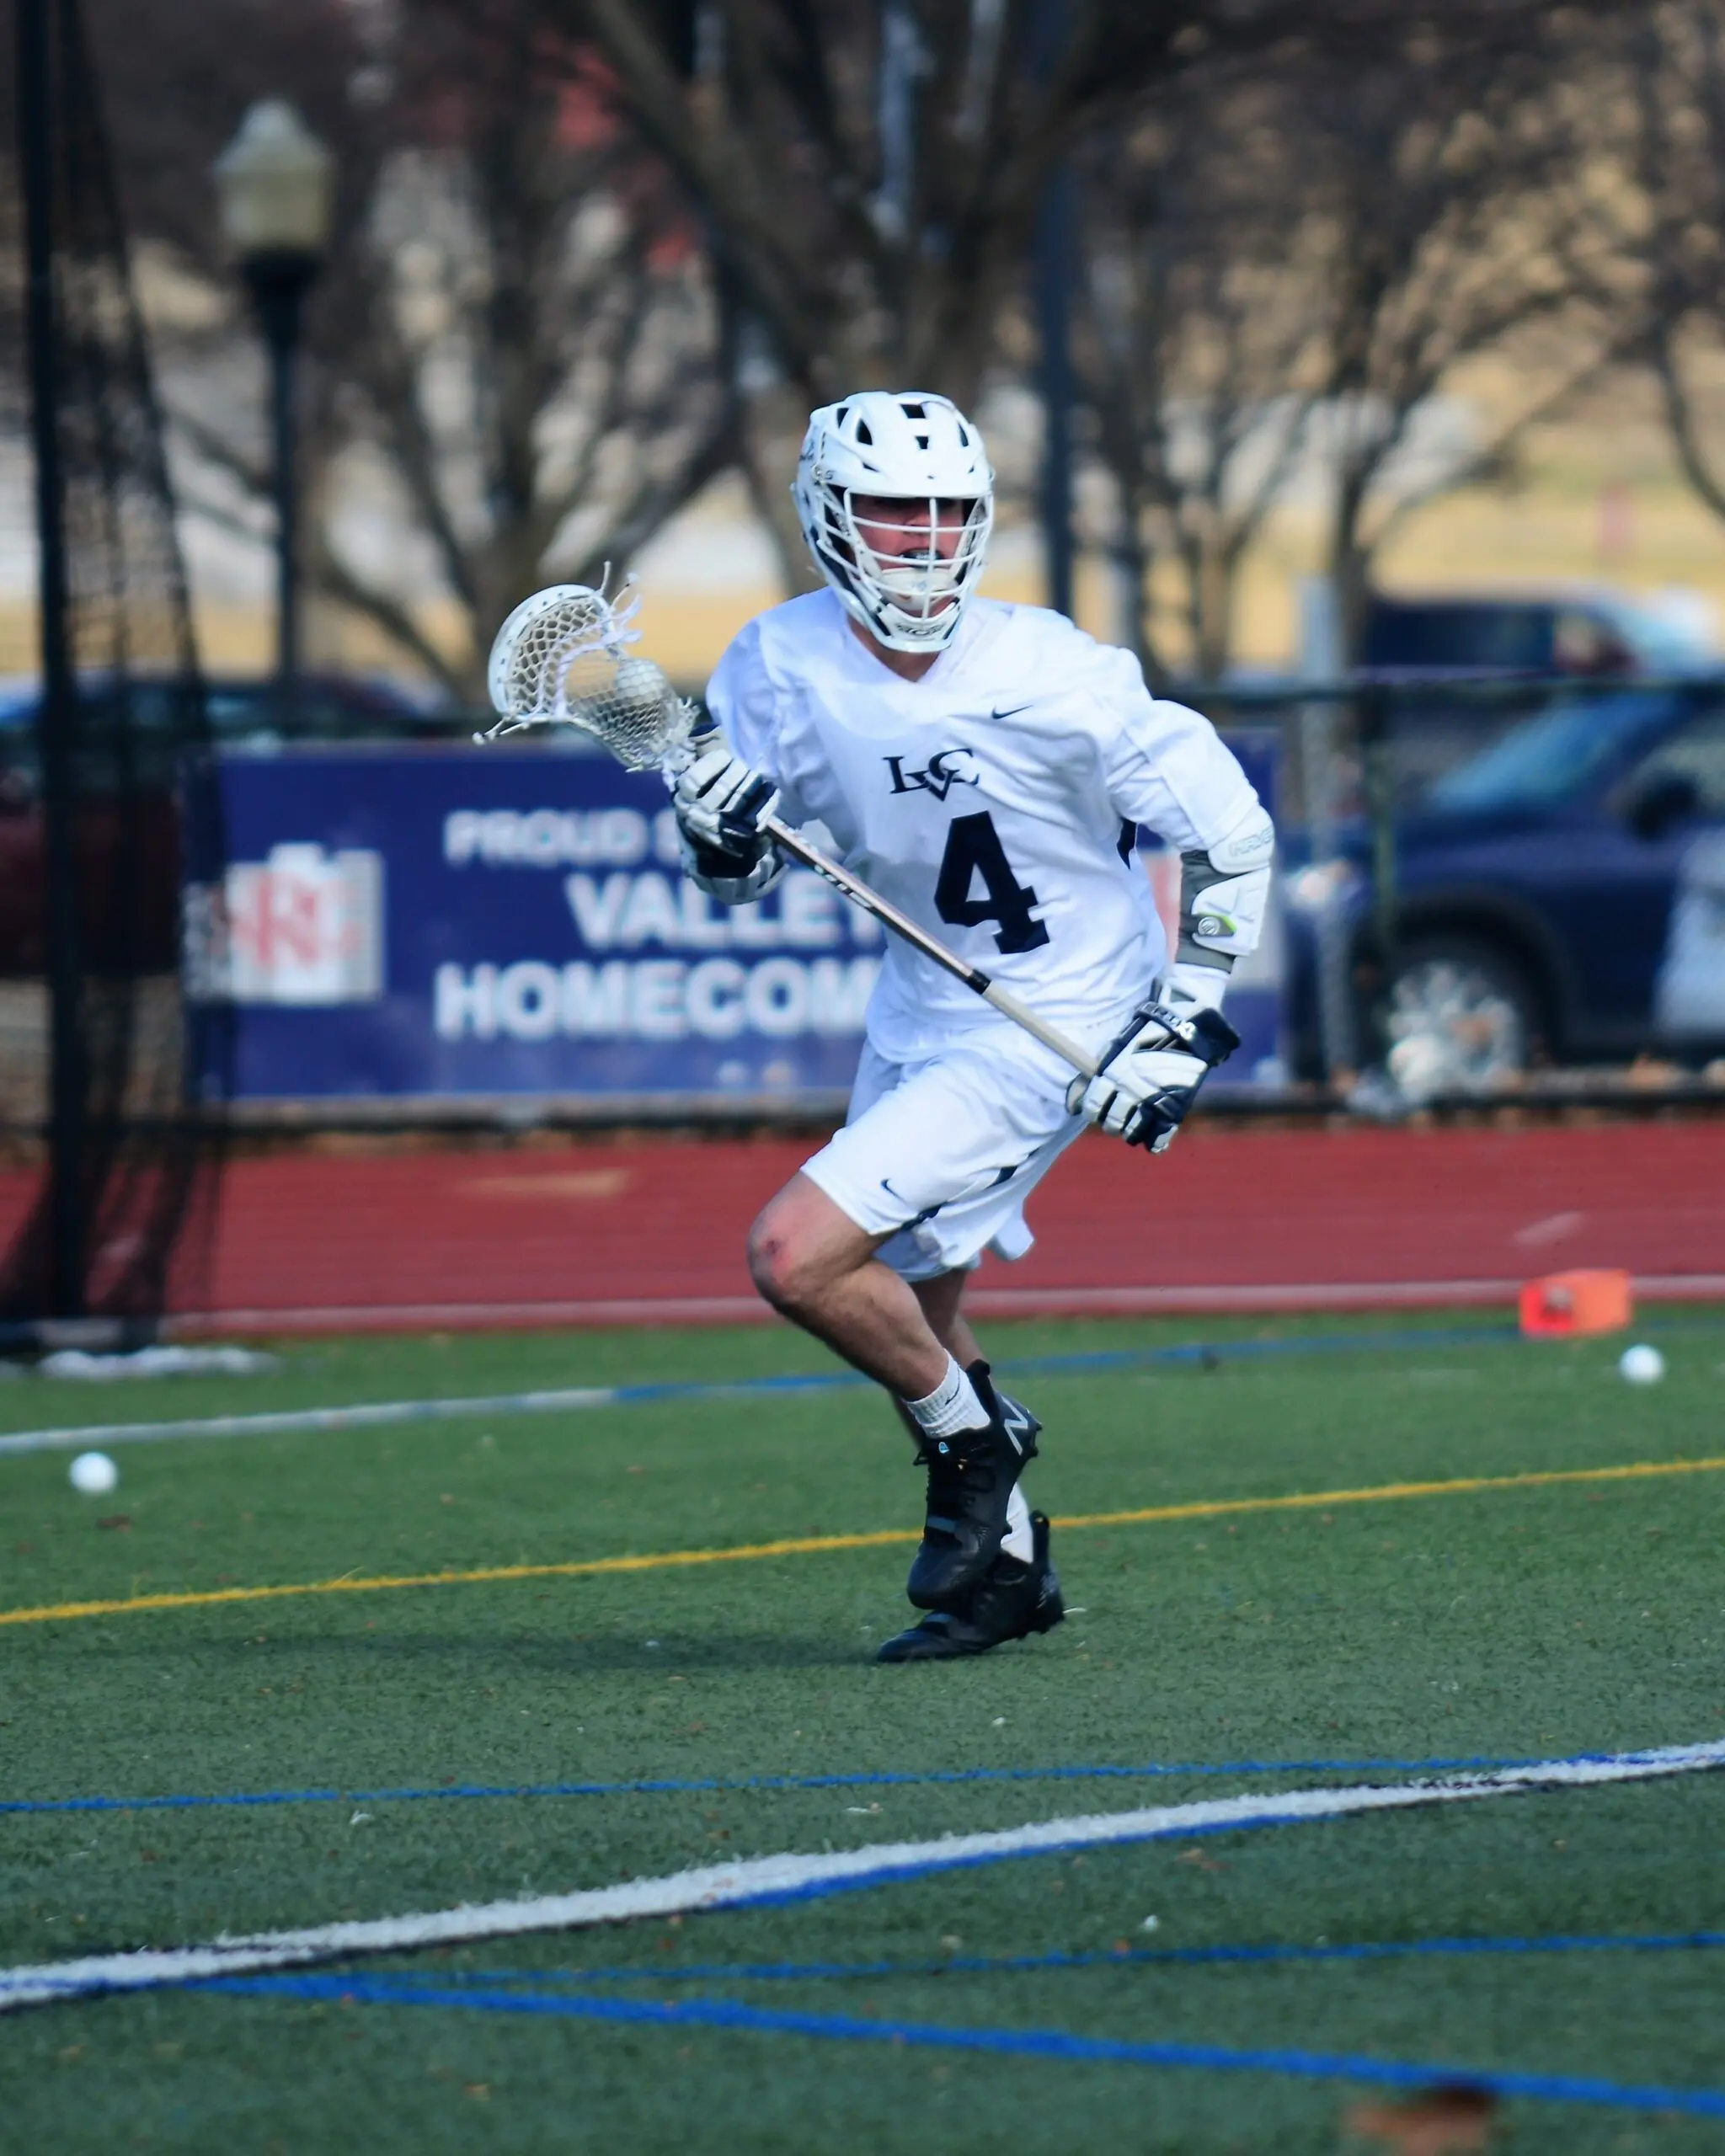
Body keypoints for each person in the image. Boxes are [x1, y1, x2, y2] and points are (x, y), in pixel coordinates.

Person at [670, 391, 1273, 1662]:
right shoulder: (773, 664)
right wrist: (716, 835)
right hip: (925, 995)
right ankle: (1002, 1580)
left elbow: (1231, 833)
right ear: (828, 518)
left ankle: (974, 1441)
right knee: (920, 1294)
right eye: (893, 511)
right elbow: (742, 874)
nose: (925, 542)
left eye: (949, 513)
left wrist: (1183, 1021)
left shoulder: (1056, 670)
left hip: (1058, 1006)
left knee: (800, 1255)